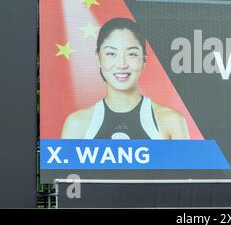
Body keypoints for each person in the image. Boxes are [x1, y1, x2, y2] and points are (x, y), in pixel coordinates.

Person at [61, 17, 189, 139]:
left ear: (144, 59)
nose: (122, 64)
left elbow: (189, 162)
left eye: (132, 54)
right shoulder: (77, 123)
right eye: (111, 54)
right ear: (98, 58)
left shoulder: (171, 120)